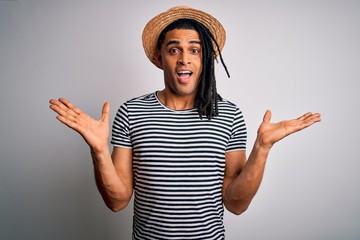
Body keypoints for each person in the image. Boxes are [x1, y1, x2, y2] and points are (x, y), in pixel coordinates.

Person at [49, 6, 321, 240]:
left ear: (206, 59)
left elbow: (236, 204)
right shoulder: (132, 112)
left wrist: (261, 148)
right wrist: (98, 151)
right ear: (159, 57)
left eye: (195, 50)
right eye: (173, 49)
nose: (184, 59)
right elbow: (117, 201)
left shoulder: (228, 115)